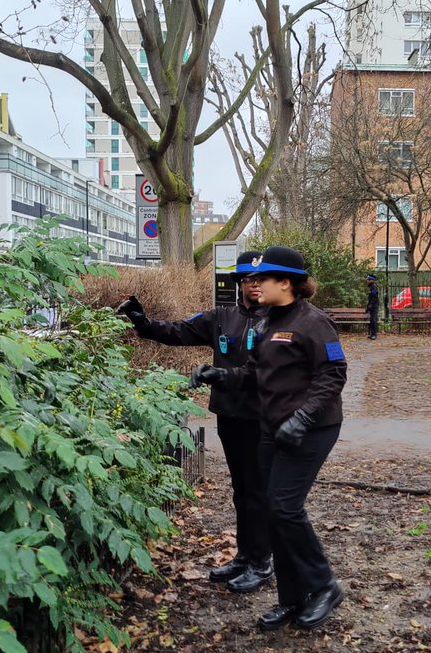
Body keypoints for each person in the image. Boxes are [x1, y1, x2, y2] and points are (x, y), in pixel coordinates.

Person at [191, 246, 347, 631]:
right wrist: (220, 375)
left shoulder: (314, 322)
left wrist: (304, 417)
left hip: (312, 429)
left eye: (263, 278)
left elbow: (334, 373)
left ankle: (324, 585)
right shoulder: (266, 322)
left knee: (285, 507)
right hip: (272, 427)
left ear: (286, 283)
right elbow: (253, 372)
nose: (255, 284)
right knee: (273, 511)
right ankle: (292, 599)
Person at [116, 252, 274, 593]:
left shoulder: (279, 320)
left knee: (258, 491)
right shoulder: (222, 317)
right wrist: (142, 322)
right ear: (239, 283)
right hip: (230, 415)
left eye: (261, 278)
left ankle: (262, 562)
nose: (255, 284)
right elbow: (179, 331)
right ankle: (246, 556)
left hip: (265, 418)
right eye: (248, 278)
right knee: (242, 490)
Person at [365, 273, 380, 340]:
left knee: (373, 320)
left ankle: (374, 334)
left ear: (372, 280)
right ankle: (372, 333)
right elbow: (370, 298)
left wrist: (371, 305)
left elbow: (374, 297)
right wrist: (368, 306)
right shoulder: (371, 287)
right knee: (371, 320)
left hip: (374, 306)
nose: (367, 281)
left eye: (368, 280)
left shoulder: (373, 287)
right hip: (372, 305)